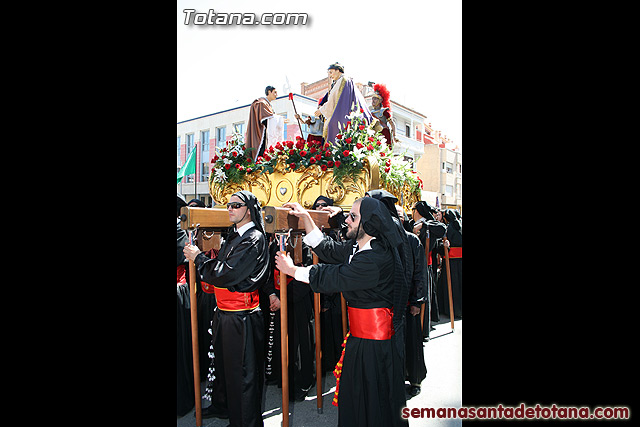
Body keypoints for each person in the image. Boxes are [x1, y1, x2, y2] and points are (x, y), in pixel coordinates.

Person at [275, 197, 410, 427]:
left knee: (372, 404)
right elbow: (329, 249)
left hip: (374, 348)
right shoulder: (361, 245)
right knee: (358, 402)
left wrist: (293, 270)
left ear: (368, 224)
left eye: (353, 217)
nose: (346, 220)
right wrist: (306, 217)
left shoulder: (376, 258)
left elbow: (335, 276)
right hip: (360, 340)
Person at [183, 190, 270, 426]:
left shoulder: (253, 238)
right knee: (222, 366)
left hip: (241, 317)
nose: (230, 208)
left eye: (235, 205)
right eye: (228, 205)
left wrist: (199, 258)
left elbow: (225, 273)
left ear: (249, 210)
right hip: (225, 313)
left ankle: (244, 422)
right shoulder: (236, 235)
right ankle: (224, 407)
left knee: (243, 375)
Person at [315, 62, 374, 145]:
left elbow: (333, 100)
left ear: (338, 70)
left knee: (332, 126)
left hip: (343, 116)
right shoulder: (345, 81)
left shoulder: (342, 81)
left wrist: (321, 110)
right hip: (349, 115)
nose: (330, 76)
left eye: (331, 72)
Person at [436, 209, 462, 319]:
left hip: (450, 262)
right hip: (459, 262)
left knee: (451, 286)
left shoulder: (448, 228)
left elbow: (442, 247)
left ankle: (450, 309)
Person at [245, 85, 284, 161]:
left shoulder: (267, 104)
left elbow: (270, 118)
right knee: (260, 152)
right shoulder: (261, 103)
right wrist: (279, 119)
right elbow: (265, 120)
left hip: (265, 133)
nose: (277, 95)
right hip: (259, 133)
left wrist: (279, 120)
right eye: (275, 92)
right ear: (269, 92)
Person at [370, 83, 397, 148]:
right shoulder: (370, 112)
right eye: (372, 98)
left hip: (383, 135)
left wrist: (394, 135)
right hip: (373, 135)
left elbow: (392, 123)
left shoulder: (384, 111)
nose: (373, 100)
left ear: (380, 100)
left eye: (375, 99)